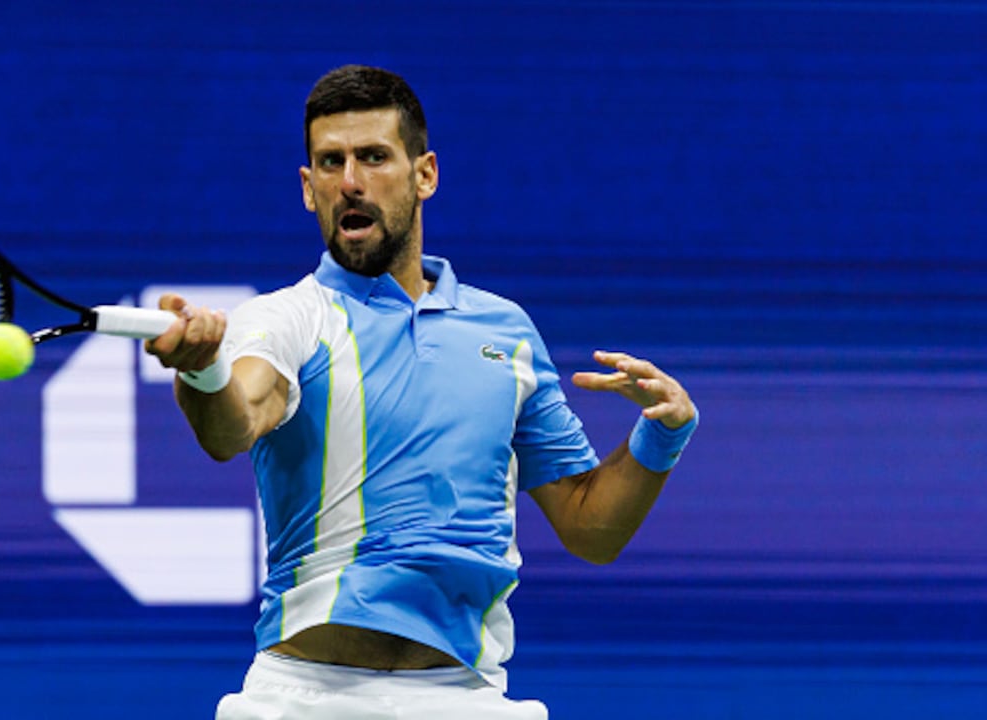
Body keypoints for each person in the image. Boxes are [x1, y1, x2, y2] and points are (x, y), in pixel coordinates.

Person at [146, 65, 698, 720]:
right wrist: (203, 371)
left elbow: (589, 528)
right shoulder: (287, 318)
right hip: (305, 699)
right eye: (330, 162)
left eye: (373, 157)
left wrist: (661, 434)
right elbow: (233, 424)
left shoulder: (505, 332)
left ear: (425, 174)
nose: (350, 182)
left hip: (466, 699)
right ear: (308, 189)